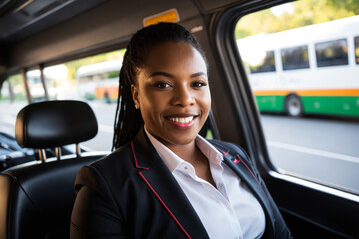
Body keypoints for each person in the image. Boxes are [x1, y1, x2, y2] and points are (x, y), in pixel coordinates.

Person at [70, 22, 291, 239]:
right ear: (136, 95)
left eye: (197, 84)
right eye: (163, 84)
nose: (185, 99)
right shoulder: (104, 187)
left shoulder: (235, 156)